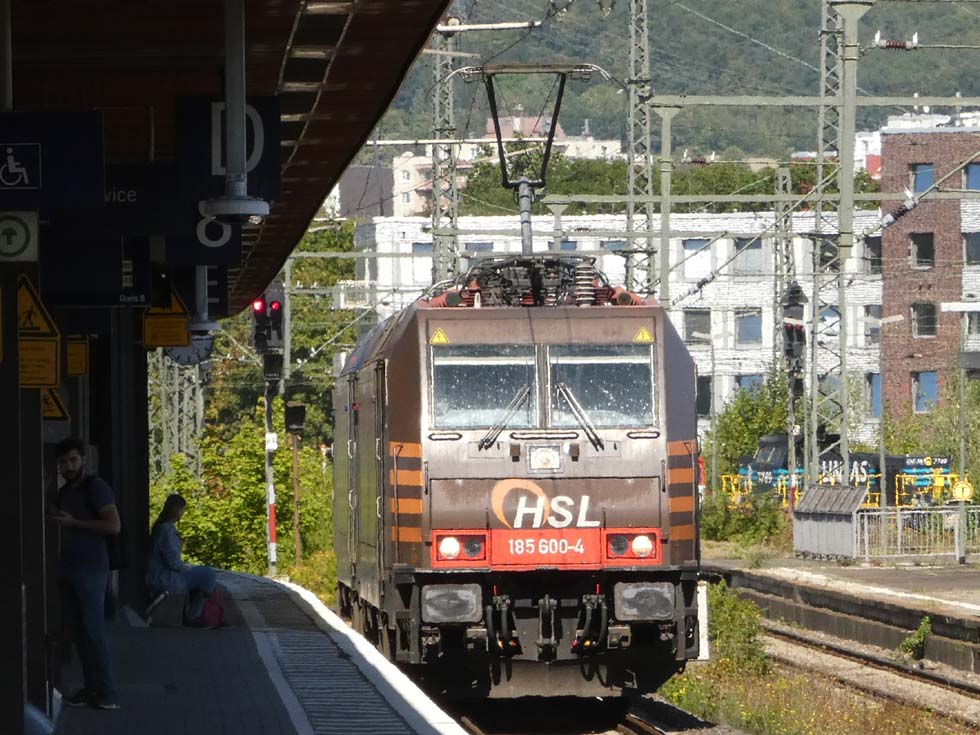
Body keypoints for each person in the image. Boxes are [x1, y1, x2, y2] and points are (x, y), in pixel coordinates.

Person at [48, 437, 121, 710]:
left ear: (83, 461)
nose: (69, 466)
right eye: (63, 462)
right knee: (79, 632)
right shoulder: (64, 492)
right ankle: (92, 689)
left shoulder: (96, 487)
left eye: (73, 460)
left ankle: (107, 693)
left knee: (93, 631)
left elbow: (113, 526)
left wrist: (74, 523)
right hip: (69, 568)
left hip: (91, 569)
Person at [145, 494, 219, 626]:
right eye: (183, 509)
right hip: (164, 578)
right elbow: (174, 563)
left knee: (200, 573)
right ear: (177, 510)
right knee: (209, 575)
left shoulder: (161, 527)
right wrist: (188, 568)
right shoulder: (167, 530)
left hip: (158, 575)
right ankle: (194, 615)